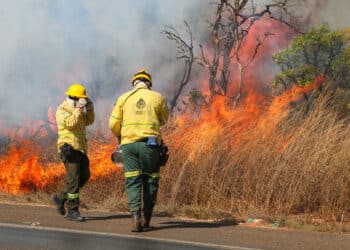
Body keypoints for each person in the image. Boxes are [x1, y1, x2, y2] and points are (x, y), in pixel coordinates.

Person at [109, 69, 169, 232]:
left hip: (128, 146)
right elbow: (164, 119)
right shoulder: (157, 97)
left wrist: (120, 136)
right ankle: (147, 219)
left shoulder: (123, 98)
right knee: (150, 180)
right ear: (149, 83)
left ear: (134, 83)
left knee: (133, 181)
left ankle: (136, 218)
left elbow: (113, 124)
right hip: (150, 145)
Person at [53, 83, 95, 222]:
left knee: (85, 176)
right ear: (74, 98)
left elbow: (88, 121)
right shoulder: (62, 109)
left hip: (81, 148)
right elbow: (70, 123)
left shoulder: (79, 110)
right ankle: (72, 210)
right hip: (69, 149)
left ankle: (60, 198)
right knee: (73, 180)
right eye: (81, 98)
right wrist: (78, 109)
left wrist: (89, 109)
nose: (83, 100)